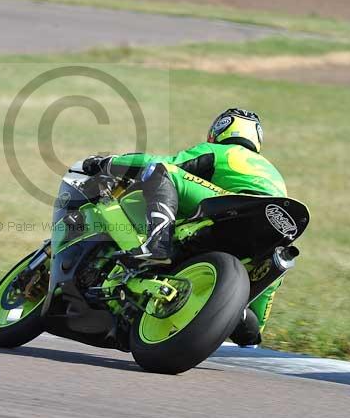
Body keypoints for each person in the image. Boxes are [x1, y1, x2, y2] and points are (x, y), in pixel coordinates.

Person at [82, 108, 287, 347]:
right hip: (275, 224)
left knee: (161, 172)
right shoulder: (274, 173)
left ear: (219, 130)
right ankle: (244, 320)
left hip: (238, 207)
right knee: (277, 258)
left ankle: (157, 246)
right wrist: (250, 329)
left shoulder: (222, 151)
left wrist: (108, 163)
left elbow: (162, 163)